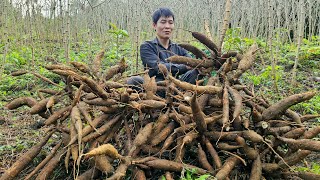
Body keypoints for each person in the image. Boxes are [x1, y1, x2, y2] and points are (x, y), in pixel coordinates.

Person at [127, 8, 203, 92]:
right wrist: (185, 67)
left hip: (177, 86)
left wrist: (198, 64)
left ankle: (184, 96)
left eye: (170, 22)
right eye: (163, 22)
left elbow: (191, 63)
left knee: (196, 72)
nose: (167, 26)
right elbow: (158, 68)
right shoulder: (146, 46)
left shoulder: (179, 48)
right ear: (154, 25)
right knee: (133, 80)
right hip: (155, 87)